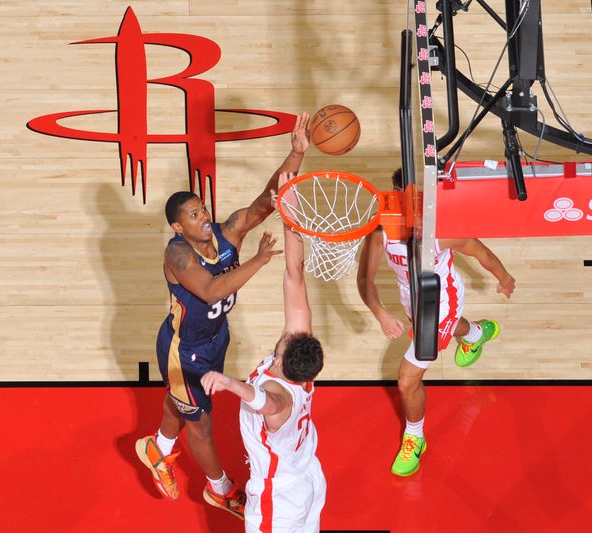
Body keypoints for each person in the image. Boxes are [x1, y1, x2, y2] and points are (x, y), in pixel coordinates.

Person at [135, 113, 311, 518]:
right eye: (194, 216)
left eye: (202, 209)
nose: (203, 217)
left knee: (186, 400)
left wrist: (295, 153)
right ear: (178, 228)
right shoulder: (177, 254)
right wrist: (259, 260)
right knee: (201, 423)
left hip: (216, 338)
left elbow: (267, 201)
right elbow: (212, 289)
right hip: (186, 349)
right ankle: (219, 488)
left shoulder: (225, 233)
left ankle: (157, 448)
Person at [356, 168, 516, 477]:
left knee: (406, 379)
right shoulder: (381, 229)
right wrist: (379, 312)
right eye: (407, 201)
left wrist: (504, 277)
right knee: (446, 330)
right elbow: (366, 278)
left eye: (420, 201)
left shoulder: (444, 227)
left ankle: (415, 436)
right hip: (411, 298)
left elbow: (479, 251)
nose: (415, 208)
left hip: (442, 300)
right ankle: (476, 333)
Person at [201, 171, 326, 532]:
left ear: (285, 360)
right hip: (307, 477)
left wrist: (227, 381)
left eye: (287, 339)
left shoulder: (279, 396)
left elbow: (265, 402)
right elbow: (295, 274)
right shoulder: (297, 366)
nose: (286, 333)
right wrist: (291, 214)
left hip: (279, 500)